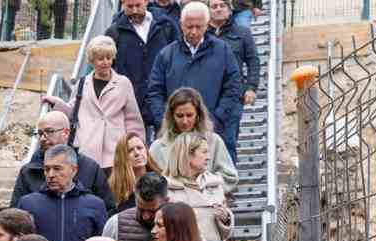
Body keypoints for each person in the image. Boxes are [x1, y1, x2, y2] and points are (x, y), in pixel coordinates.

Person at [146, 2, 243, 161]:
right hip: (175, 136)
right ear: (181, 25)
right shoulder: (166, 55)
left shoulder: (222, 50)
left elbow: (233, 87)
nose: (193, 32)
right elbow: (155, 91)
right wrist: (165, 121)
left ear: (207, 25)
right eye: (189, 27)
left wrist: (216, 118)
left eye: (199, 27)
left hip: (213, 132)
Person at [42, 36, 145, 172]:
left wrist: (137, 146)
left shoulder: (123, 83)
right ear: (92, 60)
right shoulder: (82, 83)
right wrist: (57, 103)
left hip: (115, 151)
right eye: (100, 58)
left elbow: (133, 119)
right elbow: (73, 111)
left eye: (109, 57)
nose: (105, 62)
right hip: (87, 149)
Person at [16, 145, 108, 241]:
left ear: (74, 170)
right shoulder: (28, 203)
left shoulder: (95, 204)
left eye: (57, 168)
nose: (51, 174)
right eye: (47, 169)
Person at [10, 111, 118, 214]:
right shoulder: (28, 172)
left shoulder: (90, 168)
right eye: (40, 133)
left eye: (49, 132)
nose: (43, 138)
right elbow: (15, 215)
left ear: (66, 132)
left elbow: (107, 210)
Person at [105, 0, 179, 139]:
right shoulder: (114, 32)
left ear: (146, 2)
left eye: (138, 5)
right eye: (129, 7)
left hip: (163, 99)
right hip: (130, 103)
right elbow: (106, 65)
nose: (134, 10)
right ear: (122, 5)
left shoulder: (166, 25)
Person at [148, 88, 238, 191]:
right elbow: (151, 183)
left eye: (189, 115)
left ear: (198, 115)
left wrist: (204, 183)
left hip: (207, 202)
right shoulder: (158, 147)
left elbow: (230, 177)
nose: (185, 121)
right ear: (171, 116)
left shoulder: (214, 141)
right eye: (180, 116)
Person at [164, 132, 232, 241]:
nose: (209, 158)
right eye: (204, 152)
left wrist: (226, 219)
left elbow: (225, 235)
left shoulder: (215, 184)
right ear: (188, 154)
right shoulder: (167, 188)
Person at [103, 172, 169, 241]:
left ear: (166, 200)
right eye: (141, 209)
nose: (145, 216)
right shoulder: (115, 224)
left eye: (152, 211)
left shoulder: (178, 224)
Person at [210, 0, 260, 113]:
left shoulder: (243, 33)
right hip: (207, 96)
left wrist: (251, 88)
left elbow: (253, 61)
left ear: (229, 10)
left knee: (231, 130)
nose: (218, 9)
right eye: (214, 7)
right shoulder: (201, 36)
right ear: (208, 12)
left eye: (222, 6)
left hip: (234, 94)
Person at [110, 133, 164, 212]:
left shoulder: (161, 180)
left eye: (139, 148)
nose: (137, 153)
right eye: (130, 150)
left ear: (146, 150)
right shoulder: (115, 189)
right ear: (122, 157)